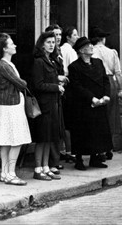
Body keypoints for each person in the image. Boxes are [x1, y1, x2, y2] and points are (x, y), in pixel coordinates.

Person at [68, 37, 113, 170]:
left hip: (100, 102)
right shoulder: (74, 67)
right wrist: (91, 98)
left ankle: (95, 158)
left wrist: (106, 95)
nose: (92, 47)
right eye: (88, 46)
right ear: (81, 50)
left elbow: (106, 80)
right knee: (82, 132)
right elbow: (77, 86)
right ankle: (79, 160)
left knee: (98, 131)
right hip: (84, 104)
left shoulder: (98, 63)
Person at [0, 33, 31, 185]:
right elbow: (21, 83)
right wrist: (23, 82)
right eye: (11, 44)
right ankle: (11, 173)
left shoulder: (7, 65)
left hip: (9, 105)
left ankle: (5, 172)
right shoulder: (4, 65)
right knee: (16, 140)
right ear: (4, 48)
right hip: (11, 106)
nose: (14, 46)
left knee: (6, 141)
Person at [30, 31, 65, 181]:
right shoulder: (39, 61)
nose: (52, 45)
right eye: (48, 42)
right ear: (42, 45)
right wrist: (56, 87)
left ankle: (45, 166)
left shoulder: (50, 60)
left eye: (53, 42)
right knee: (42, 138)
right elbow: (38, 85)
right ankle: (38, 169)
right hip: (44, 105)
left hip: (52, 104)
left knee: (49, 138)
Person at [89, 26, 122, 154]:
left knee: (98, 117)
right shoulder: (112, 52)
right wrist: (121, 90)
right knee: (110, 116)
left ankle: (99, 148)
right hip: (110, 83)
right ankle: (109, 147)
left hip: (96, 83)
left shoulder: (91, 51)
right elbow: (118, 73)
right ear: (103, 39)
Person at [45, 24, 67, 174]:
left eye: (59, 35)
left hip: (58, 94)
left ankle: (55, 158)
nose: (58, 38)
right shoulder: (47, 56)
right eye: (54, 36)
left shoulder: (58, 53)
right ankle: (52, 160)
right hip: (50, 95)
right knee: (51, 130)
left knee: (58, 129)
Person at [59, 26, 79, 162]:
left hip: (62, 86)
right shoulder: (70, 51)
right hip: (68, 87)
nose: (77, 37)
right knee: (69, 122)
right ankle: (70, 150)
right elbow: (73, 70)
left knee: (64, 121)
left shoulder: (60, 49)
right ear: (68, 37)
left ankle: (63, 149)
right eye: (75, 35)